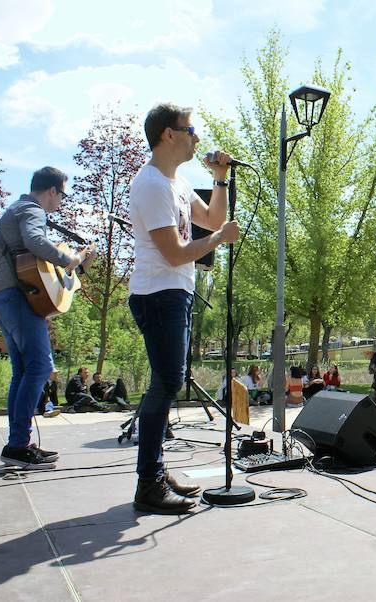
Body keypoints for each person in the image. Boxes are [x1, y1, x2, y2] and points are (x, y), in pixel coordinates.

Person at [127, 102, 240, 514]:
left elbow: (211, 218)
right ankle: (148, 483)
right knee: (166, 382)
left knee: (167, 382)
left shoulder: (176, 182)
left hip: (176, 293)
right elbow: (176, 253)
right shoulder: (152, 185)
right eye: (189, 129)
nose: (196, 137)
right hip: (158, 294)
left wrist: (220, 178)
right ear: (167, 135)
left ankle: (155, 470)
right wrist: (219, 240)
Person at [0, 166, 94, 469]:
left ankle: (17, 444)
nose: (61, 201)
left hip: (3, 298)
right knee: (40, 367)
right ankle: (19, 445)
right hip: (16, 298)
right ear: (52, 191)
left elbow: (39, 265)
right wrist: (70, 258)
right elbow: (35, 241)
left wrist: (77, 266)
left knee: (23, 372)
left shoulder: (17, 208)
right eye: (61, 195)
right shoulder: (32, 210)